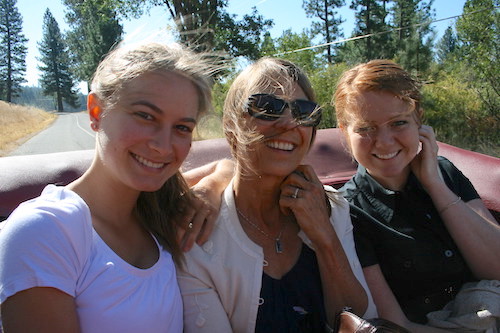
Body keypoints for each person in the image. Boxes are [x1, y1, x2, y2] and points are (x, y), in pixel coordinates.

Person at [0, 42, 218, 332]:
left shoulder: (158, 211)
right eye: (146, 116)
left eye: (182, 128)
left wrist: (213, 186)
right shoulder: (46, 230)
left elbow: (224, 169)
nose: (163, 146)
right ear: (96, 111)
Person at [177, 57, 377, 333]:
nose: (289, 123)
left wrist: (324, 237)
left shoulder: (331, 206)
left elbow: (360, 318)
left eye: (304, 111)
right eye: (267, 107)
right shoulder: (198, 232)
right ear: (231, 124)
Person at [334, 59, 500, 332]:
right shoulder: (348, 212)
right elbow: (395, 325)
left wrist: (435, 185)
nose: (385, 142)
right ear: (344, 131)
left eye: (398, 123)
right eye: (365, 128)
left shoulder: (444, 172)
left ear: (418, 120)